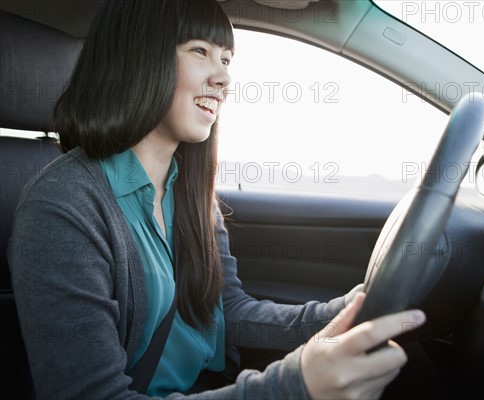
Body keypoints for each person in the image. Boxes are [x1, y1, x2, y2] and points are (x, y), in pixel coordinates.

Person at [8, 0, 426, 398]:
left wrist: (341, 313)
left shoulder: (192, 192)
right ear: (139, 58)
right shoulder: (62, 207)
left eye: (226, 59)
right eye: (199, 50)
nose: (224, 78)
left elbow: (227, 311)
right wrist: (296, 387)